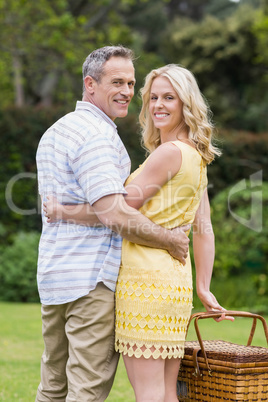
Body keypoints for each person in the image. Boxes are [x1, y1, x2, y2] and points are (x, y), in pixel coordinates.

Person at [44, 63, 233, 401]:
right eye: (153, 98)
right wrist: (202, 287)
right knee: (166, 393)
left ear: (186, 104)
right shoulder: (197, 156)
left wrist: (64, 211)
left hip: (144, 283)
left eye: (169, 98)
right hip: (176, 285)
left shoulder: (167, 154)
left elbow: (116, 210)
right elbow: (204, 229)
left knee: (148, 393)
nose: (158, 105)